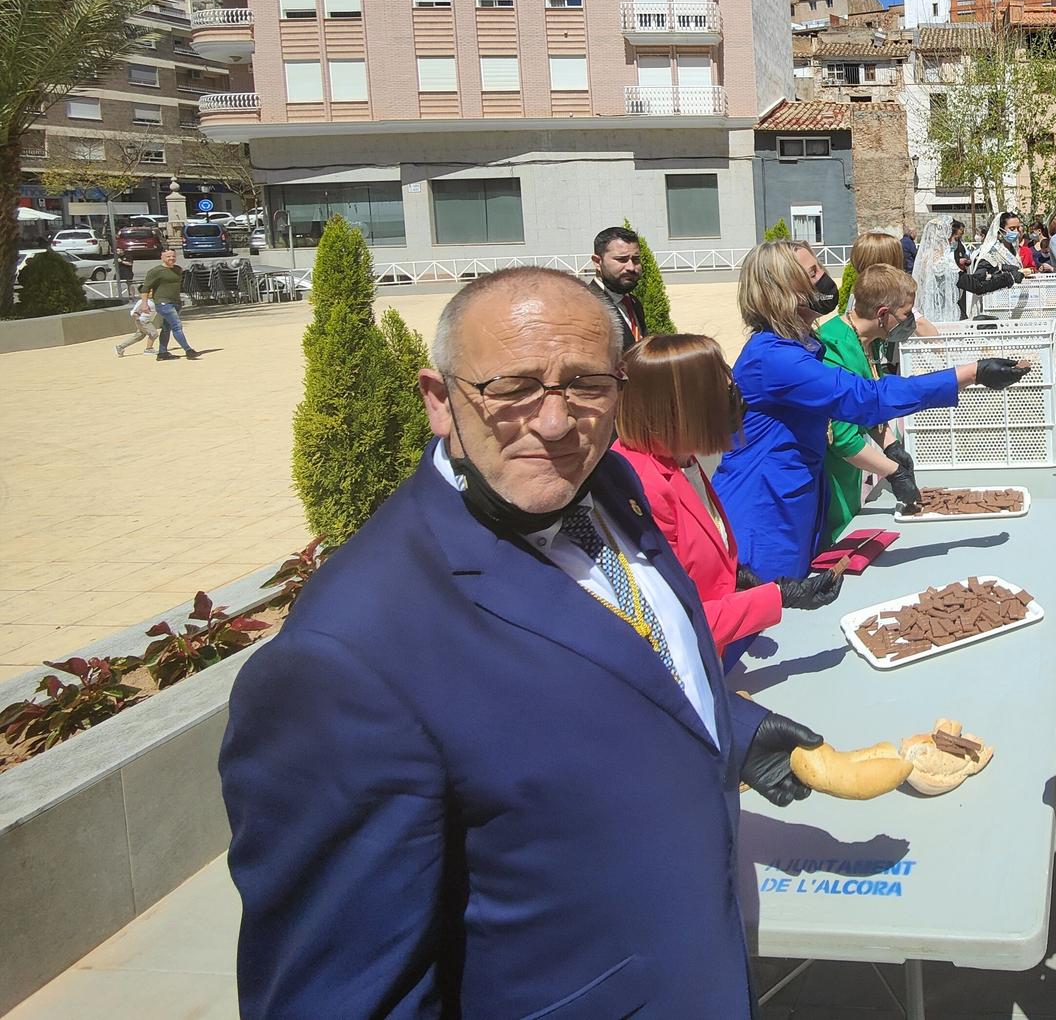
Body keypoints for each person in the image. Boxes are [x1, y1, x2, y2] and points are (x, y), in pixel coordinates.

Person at [220, 268, 825, 1019]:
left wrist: (726, 729)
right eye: (511, 389)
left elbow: (609, 659)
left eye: (585, 385)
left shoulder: (606, 486)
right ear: (439, 400)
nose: (553, 422)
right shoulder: (346, 656)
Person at [713, 242, 1026, 580]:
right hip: (766, 510)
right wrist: (970, 373)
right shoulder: (774, 359)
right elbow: (864, 399)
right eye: (813, 273)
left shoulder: (799, 345)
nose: (825, 279)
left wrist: (891, 445)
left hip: (795, 499)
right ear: (785, 292)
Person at [611, 333, 841, 658]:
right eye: (719, 387)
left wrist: (739, 578)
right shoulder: (641, 487)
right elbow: (678, 622)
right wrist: (778, 597)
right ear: (681, 405)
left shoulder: (680, 457)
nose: (734, 396)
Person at [820, 263, 930, 540]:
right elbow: (843, 438)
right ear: (883, 314)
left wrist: (891, 446)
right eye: (905, 314)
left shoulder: (869, 341)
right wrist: (893, 472)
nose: (909, 322)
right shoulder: (834, 348)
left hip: (850, 473)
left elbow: (870, 405)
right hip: (831, 477)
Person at [589, 225, 647, 354]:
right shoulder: (587, 306)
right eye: (622, 259)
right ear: (598, 262)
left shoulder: (633, 303)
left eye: (636, 259)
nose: (631, 267)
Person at [141, 247, 199, 360]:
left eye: (173, 256)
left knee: (167, 327)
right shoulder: (156, 271)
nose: (171, 258)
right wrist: (144, 304)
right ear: (162, 257)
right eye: (168, 256)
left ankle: (162, 353)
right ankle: (188, 350)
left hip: (175, 302)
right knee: (177, 325)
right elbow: (145, 288)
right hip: (163, 302)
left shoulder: (178, 269)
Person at [113, 287, 157, 358]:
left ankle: (120, 347)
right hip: (143, 321)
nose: (152, 293)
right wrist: (138, 317)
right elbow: (133, 312)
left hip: (144, 321)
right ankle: (149, 349)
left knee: (139, 336)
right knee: (153, 333)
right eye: (150, 292)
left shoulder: (151, 301)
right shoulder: (142, 301)